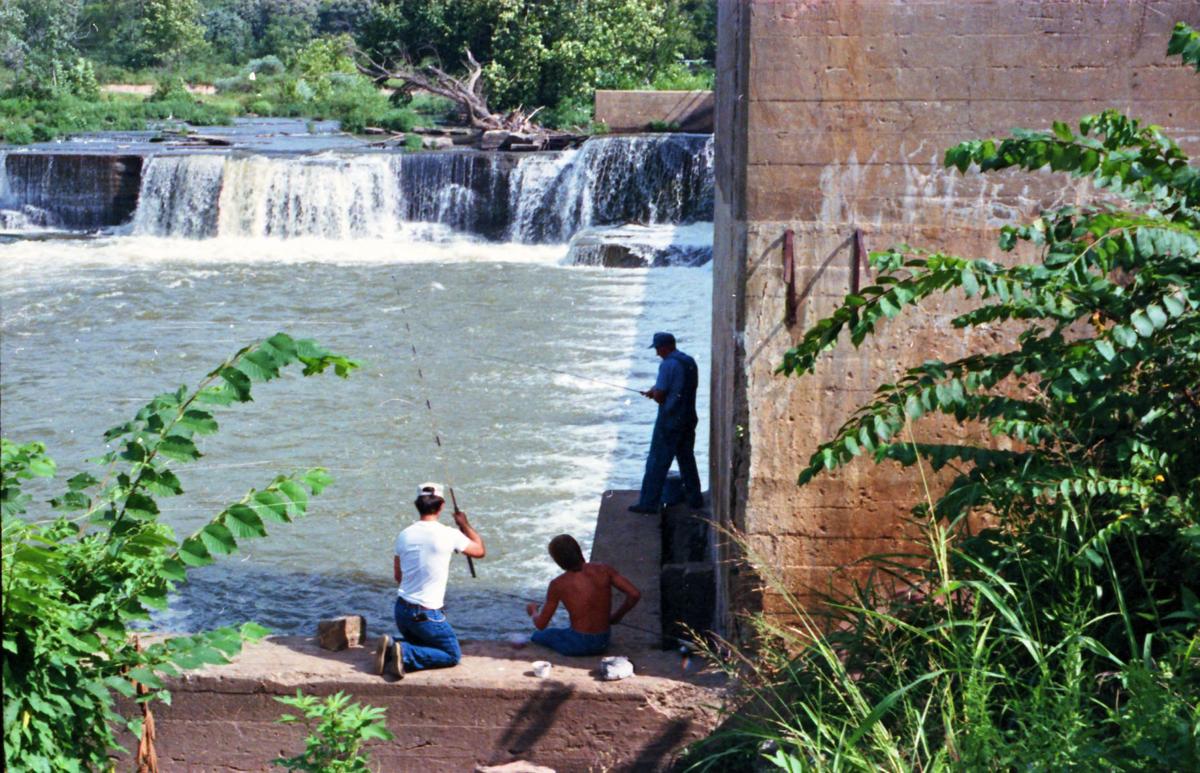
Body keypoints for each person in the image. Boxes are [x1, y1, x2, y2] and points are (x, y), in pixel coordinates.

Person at [374, 482, 485, 678]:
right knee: (451, 654)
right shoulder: (449, 534)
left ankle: (392, 645)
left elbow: (398, 576)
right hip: (426, 615)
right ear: (441, 506)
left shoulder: (404, 535)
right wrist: (464, 524)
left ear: (417, 504)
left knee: (426, 642)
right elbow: (479, 550)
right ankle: (404, 653)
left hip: (401, 612)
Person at [525, 534, 641, 656]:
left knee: (538, 636)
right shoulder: (604, 570)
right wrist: (617, 617)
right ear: (578, 551)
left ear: (558, 561)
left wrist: (533, 611)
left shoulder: (557, 584)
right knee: (565, 630)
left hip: (578, 644)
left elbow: (541, 624)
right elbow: (634, 594)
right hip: (603, 641)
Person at [629, 331, 704, 514]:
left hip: (670, 420)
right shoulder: (688, 361)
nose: (657, 353)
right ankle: (695, 499)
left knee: (657, 462)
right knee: (686, 458)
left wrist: (654, 394)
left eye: (658, 349)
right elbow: (677, 385)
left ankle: (648, 504)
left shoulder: (667, 365)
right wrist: (654, 389)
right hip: (688, 417)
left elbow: (661, 396)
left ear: (665, 347)